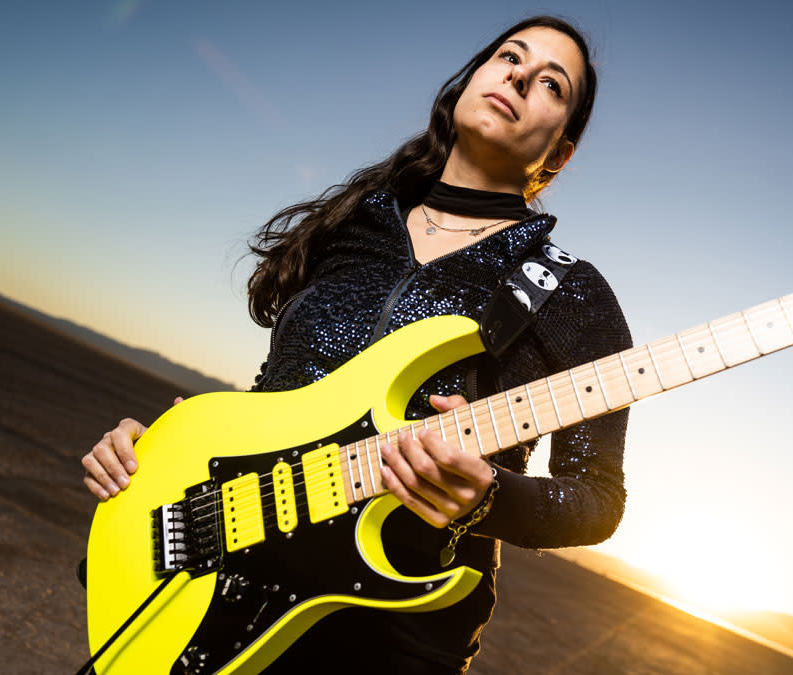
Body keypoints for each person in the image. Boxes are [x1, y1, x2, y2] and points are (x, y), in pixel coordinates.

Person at [80, 16, 631, 673]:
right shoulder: (358, 220)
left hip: (389, 639)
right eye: (509, 56)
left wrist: (489, 497)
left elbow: (597, 498)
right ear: (467, 85)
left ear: (559, 154)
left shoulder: (569, 293)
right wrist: (167, 454)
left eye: (551, 84)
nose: (519, 75)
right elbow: (275, 397)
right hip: (226, 582)